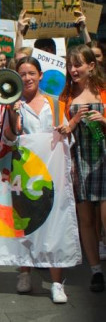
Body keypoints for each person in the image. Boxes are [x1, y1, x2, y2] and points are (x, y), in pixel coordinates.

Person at [1, 57, 69, 303]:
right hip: (25, 172)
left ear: (40, 76)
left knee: (55, 224)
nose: (27, 78)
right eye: (22, 74)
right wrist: (11, 113)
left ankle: (57, 282)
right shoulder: (12, 103)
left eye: (31, 73)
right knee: (26, 222)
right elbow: (8, 138)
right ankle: (25, 272)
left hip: (53, 172)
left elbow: (65, 136)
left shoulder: (56, 102)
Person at [59, 44, 106, 293]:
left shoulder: (103, 91)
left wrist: (105, 121)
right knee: (85, 219)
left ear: (91, 65)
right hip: (79, 160)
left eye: (78, 64)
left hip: (104, 159)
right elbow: (61, 129)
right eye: (70, 64)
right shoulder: (66, 96)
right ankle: (96, 271)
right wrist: (73, 121)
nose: (73, 69)